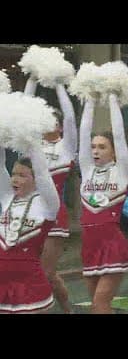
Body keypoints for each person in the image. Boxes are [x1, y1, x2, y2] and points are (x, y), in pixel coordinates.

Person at [24, 76, 76, 314]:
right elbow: (22, 112)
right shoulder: (32, 145)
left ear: (60, 126)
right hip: (28, 212)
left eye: (53, 121)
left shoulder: (66, 147)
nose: (48, 124)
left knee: (44, 272)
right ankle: (68, 309)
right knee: (44, 272)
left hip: (54, 215)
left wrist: (57, 83)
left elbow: (71, 116)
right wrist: (32, 80)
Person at [78, 94, 128, 314]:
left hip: (112, 246)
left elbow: (119, 136)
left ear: (113, 150)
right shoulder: (87, 170)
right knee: (98, 306)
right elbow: (83, 135)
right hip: (89, 246)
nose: (95, 151)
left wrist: (112, 99)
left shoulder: (122, 171)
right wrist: (89, 98)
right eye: (93, 147)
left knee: (100, 304)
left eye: (102, 147)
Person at [0, 144, 60, 313]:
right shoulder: (6, 198)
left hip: (28, 283)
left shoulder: (47, 204)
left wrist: (32, 139)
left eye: (22, 175)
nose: (15, 179)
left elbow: (43, 173)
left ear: (35, 179)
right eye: (13, 174)